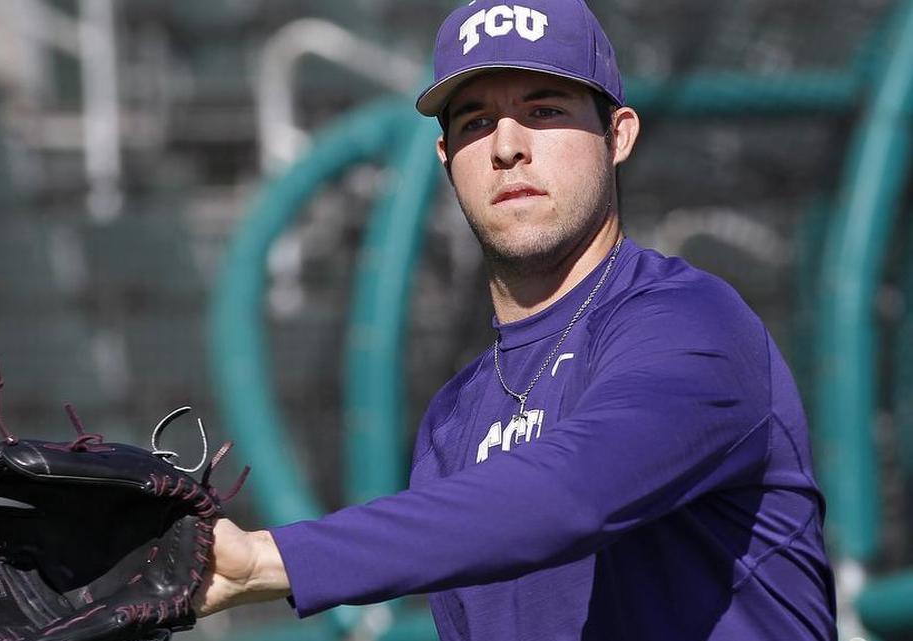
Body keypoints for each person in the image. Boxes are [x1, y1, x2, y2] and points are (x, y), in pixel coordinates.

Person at [195, 1, 838, 639]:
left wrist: (265, 560)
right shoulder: (452, 421)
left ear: (619, 135)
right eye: (476, 122)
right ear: (446, 156)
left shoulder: (692, 322)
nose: (507, 147)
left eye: (544, 110)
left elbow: (574, 494)